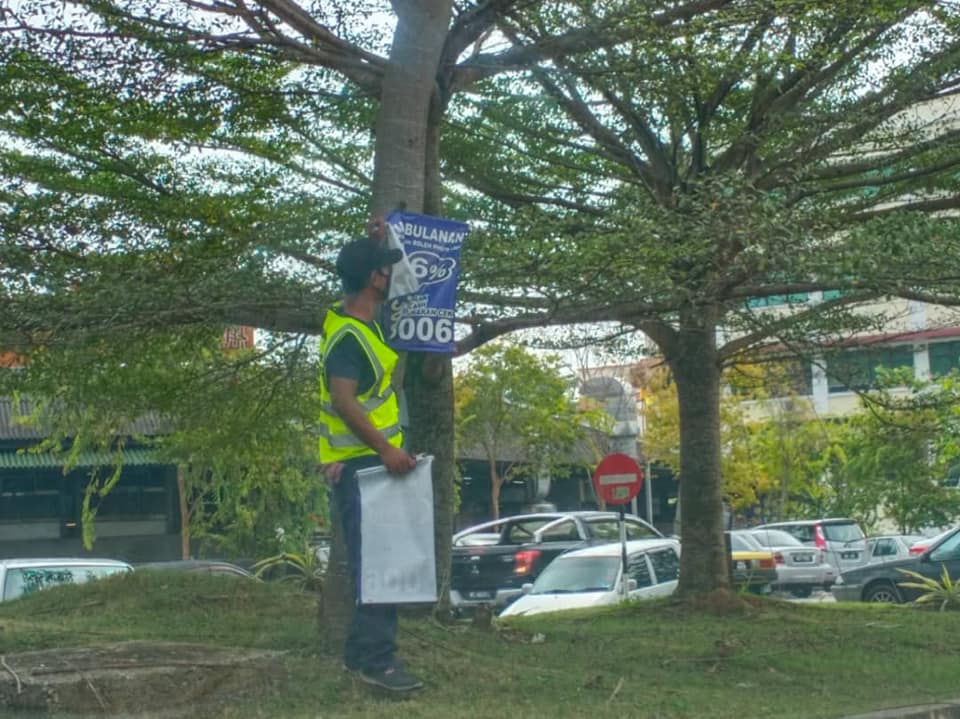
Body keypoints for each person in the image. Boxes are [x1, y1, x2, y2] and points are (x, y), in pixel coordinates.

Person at [318, 234, 422, 693]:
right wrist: (385, 449)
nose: (392, 275)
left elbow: (402, 284)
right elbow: (344, 400)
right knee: (381, 566)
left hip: (364, 465)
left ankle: (363, 656)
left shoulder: (356, 321)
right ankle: (376, 664)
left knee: (379, 563)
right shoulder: (350, 338)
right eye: (385, 268)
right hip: (366, 466)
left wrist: (381, 234)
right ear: (373, 279)